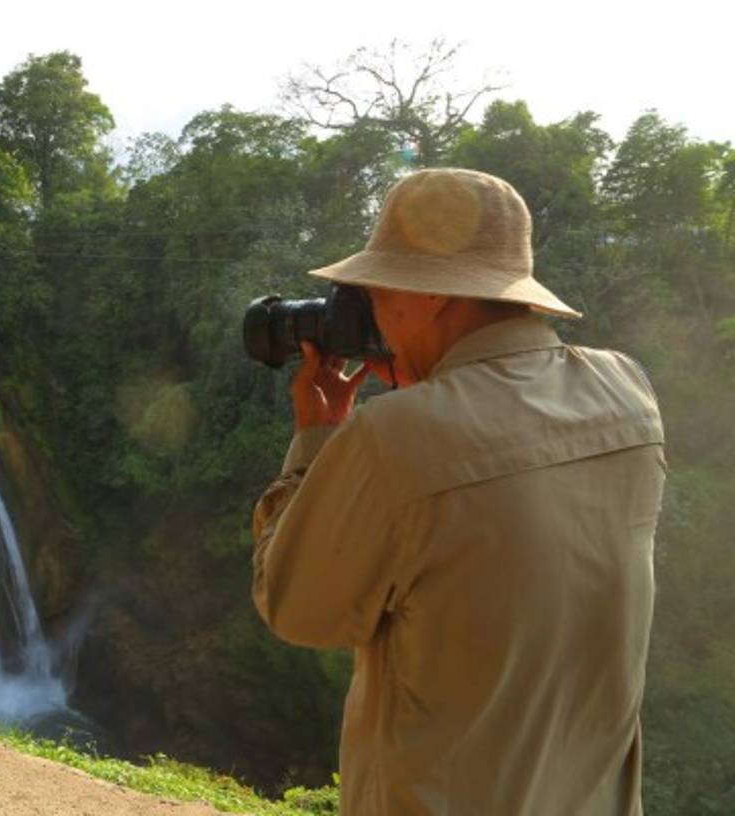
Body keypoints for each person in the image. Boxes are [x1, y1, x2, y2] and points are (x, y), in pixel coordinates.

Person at [251, 168, 665, 815]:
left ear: (433, 297)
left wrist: (316, 441)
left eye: (379, 295)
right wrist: (430, 390)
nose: (377, 317)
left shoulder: (391, 440)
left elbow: (295, 605)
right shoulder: (627, 392)